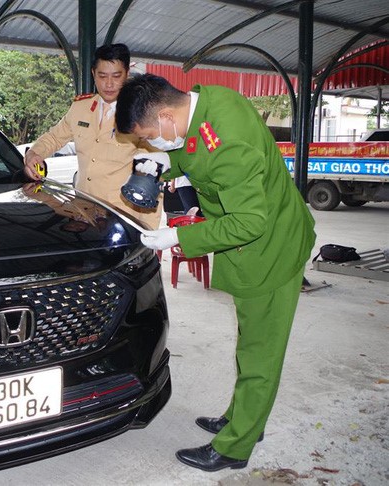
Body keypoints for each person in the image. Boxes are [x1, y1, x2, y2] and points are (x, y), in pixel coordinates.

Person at [115, 74, 316, 472]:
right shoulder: (209, 103)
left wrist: (177, 237)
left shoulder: (228, 145)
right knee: (250, 342)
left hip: (269, 252)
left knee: (261, 354)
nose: (151, 143)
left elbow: (248, 223)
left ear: (167, 115)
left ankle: (234, 447)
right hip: (260, 242)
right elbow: (196, 152)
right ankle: (244, 418)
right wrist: (166, 163)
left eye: (151, 136)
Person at [23, 43, 164, 230]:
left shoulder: (140, 114)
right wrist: (34, 154)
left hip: (122, 215)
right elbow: (54, 138)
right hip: (83, 212)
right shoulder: (80, 107)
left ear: (127, 74)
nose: (109, 84)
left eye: (116, 76)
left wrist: (146, 229)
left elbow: (154, 172)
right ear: (93, 73)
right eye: (102, 76)